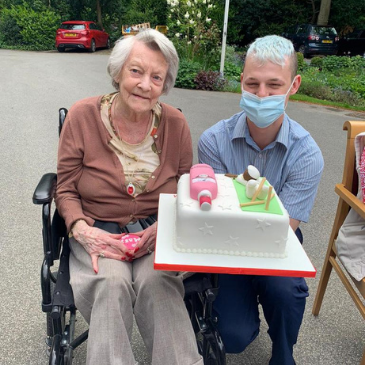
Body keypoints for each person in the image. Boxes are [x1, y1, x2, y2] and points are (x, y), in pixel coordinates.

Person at [55, 29, 203, 365]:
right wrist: (82, 230)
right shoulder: (82, 117)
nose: (144, 84)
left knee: (159, 283)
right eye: (136, 71)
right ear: (118, 71)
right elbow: (64, 187)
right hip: (98, 230)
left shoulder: (176, 124)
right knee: (110, 284)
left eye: (156, 77)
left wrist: (165, 226)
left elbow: (184, 186)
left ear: (164, 85)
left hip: (156, 229)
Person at [198, 35, 324, 365]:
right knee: (234, 336)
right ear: (241, 82)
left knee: (287, 293)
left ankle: (283, 353)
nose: (262, 95)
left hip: (276, 241)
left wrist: (239, 201)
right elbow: (218, 219)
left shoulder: (307, 153)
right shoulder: (213, 140)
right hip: (227, 243)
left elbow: (283, 229)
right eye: (252, 84)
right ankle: (244, 319)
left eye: (274, 84)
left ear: (293, 85)